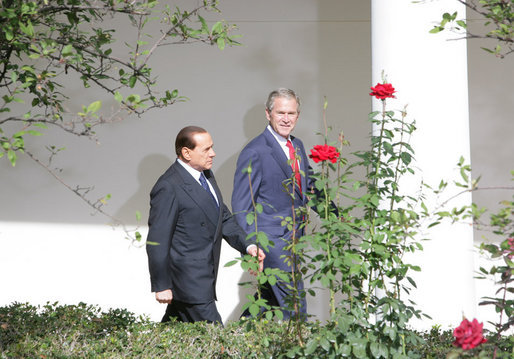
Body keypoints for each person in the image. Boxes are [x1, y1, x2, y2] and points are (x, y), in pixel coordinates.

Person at [146, 126, 265, 324]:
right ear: (186, 152)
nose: (213, 153)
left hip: (204, 276)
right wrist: (161, 284)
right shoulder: (168, 186)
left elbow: (223, 217)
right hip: (189, 281)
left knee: (172, 335)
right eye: (206, 149)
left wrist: (248, 246)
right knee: (217, 343)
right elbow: (158, 239)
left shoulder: (205, 175)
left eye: (212, 147)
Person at [232, 88, 312, 319]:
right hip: (271, 241)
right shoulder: (255, 151)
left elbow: (308, 183)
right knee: (295, 305)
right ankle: (300, 350)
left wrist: (334, 213)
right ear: (268, 114)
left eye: (292, 113)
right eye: (280, 113)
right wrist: (251, 246)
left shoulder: (297, 146)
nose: (286, 119)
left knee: (265, 301)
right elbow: (241, 204)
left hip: (293, 238)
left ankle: (237, 344)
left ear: (298, 115)